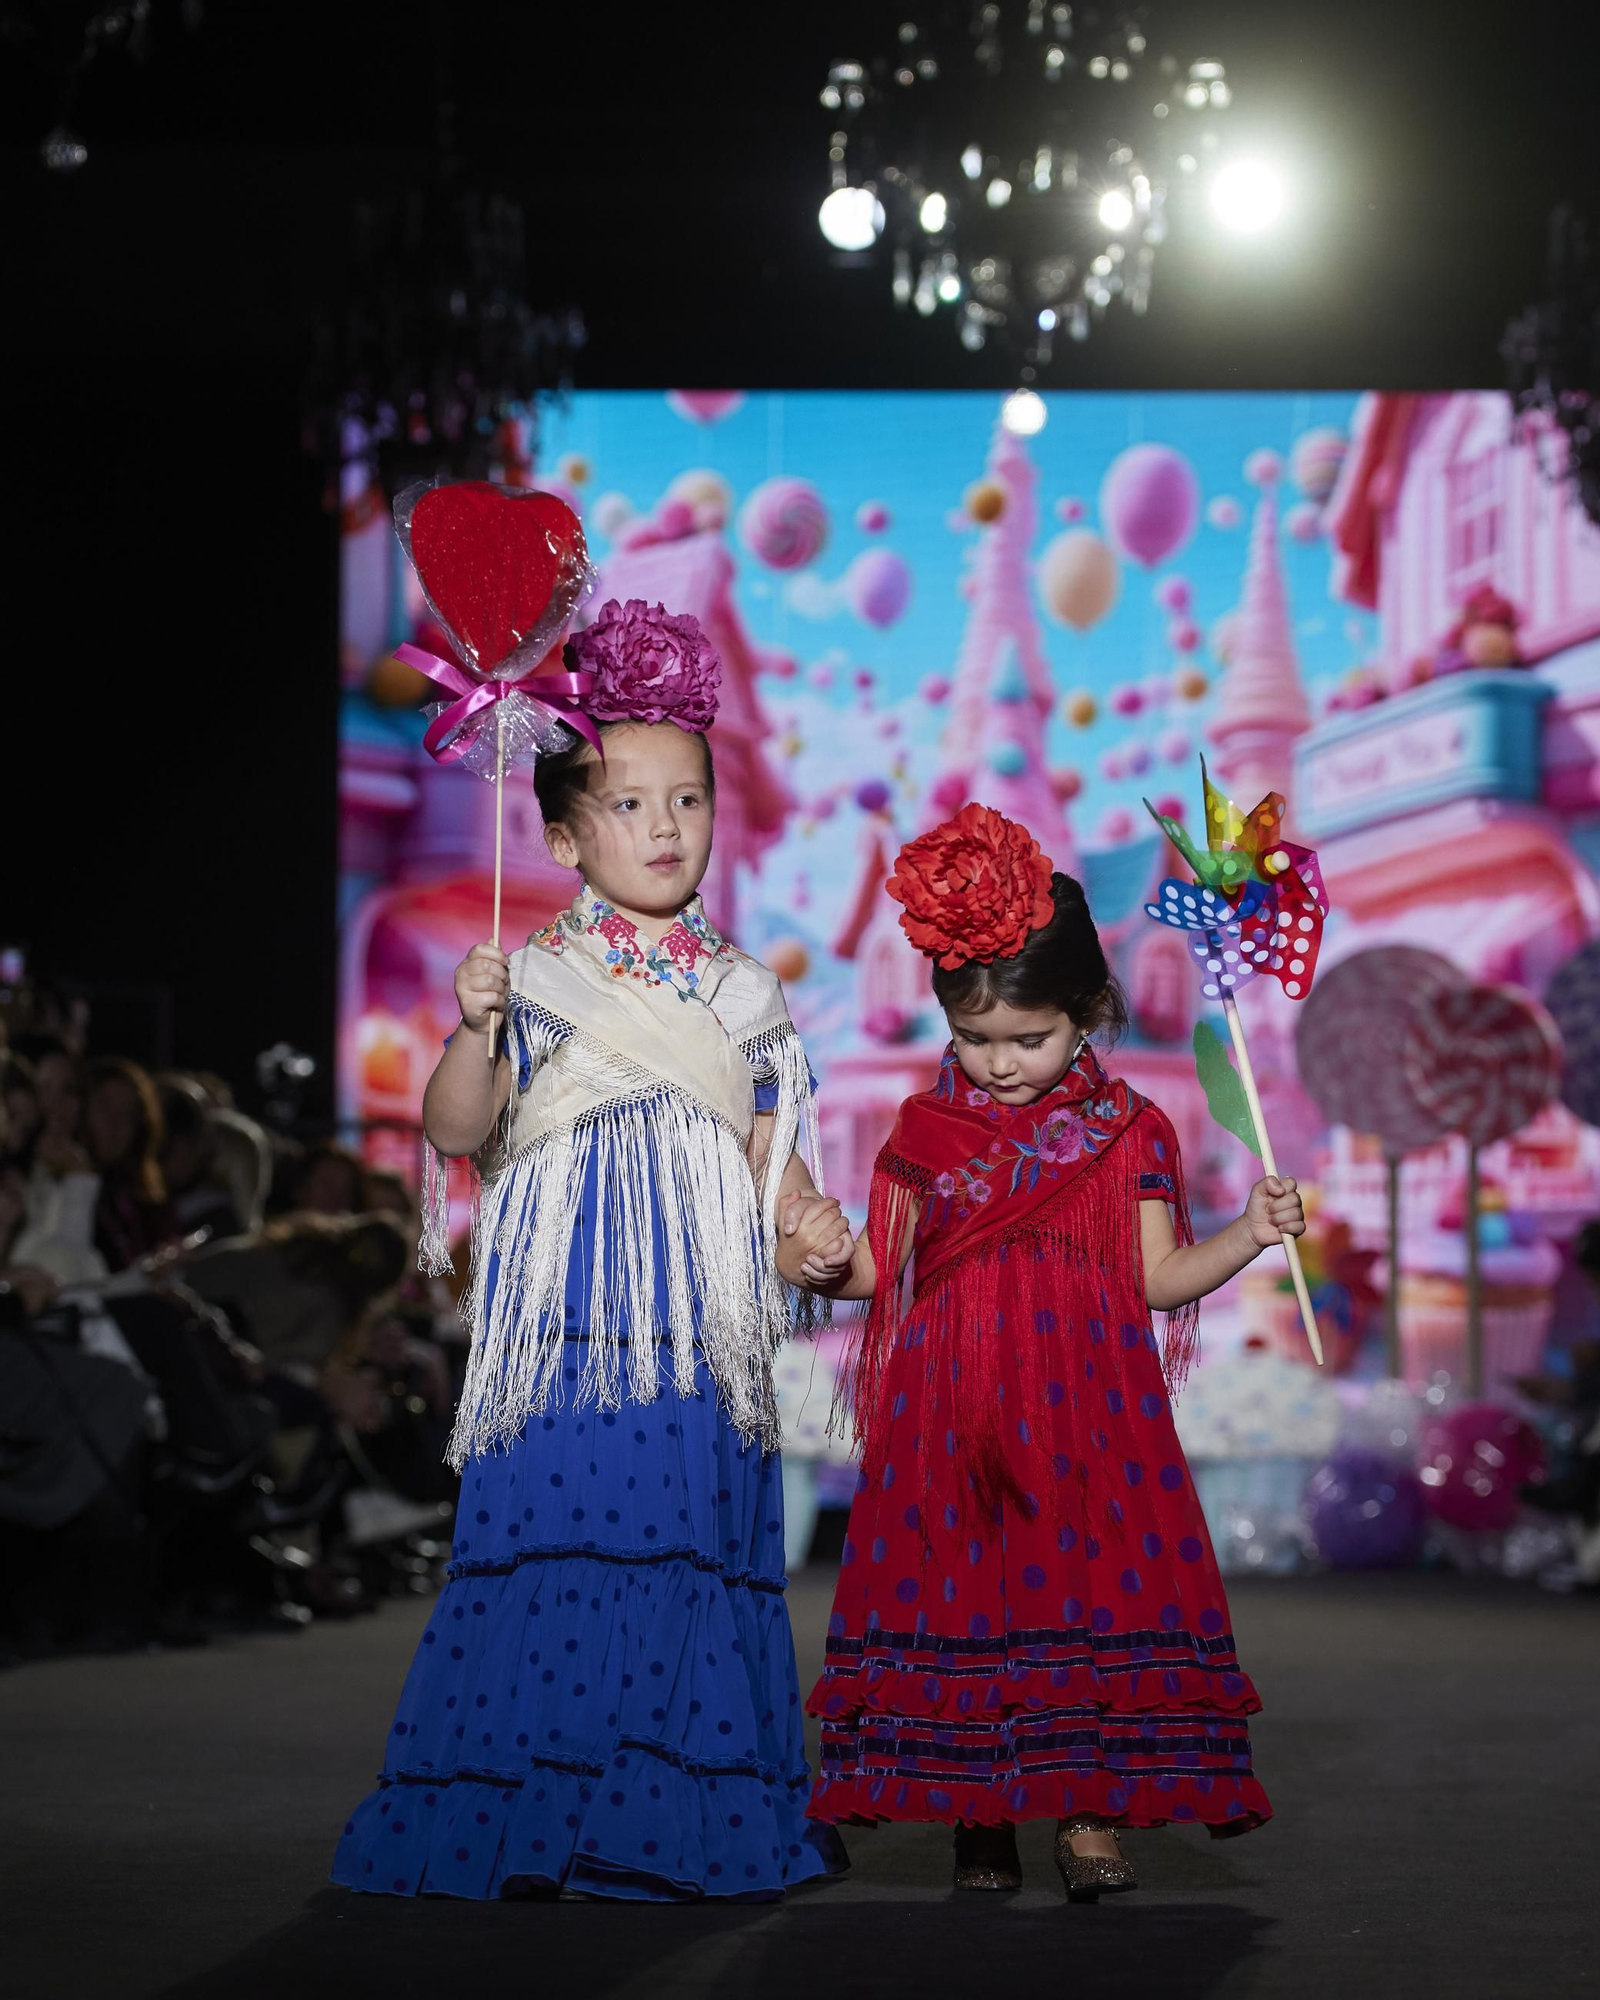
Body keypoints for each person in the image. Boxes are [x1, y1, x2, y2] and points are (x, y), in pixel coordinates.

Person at [333, 597, 848, 1903]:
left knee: (678, 1564)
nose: (664, 827)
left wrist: (810, 1234)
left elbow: (773, 1171)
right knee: (555, 1561)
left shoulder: (746, 995)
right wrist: (469, 1032)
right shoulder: (535, 978)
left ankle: (669, 1823)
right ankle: (529, 1820)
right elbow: (462, 1133)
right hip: (561, 1336)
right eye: (627, 805)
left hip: (695, 1342)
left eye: (687, 801)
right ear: (560, 833)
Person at [778, 805, 1300, 1901]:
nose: (1002, 1063)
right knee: (972, 1599)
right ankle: (981, 1815)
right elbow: (883, 1269)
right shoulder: (923, 1128)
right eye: (976, 1040)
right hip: (954, 1403)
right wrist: (821, 1262)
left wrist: (1248, 1232)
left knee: (1087, 1599)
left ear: (1088, 1012)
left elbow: (1156, 1280)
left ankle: (1089, 1807)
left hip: (1089, 1410)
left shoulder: (1132, 1129)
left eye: (1030, 1037)